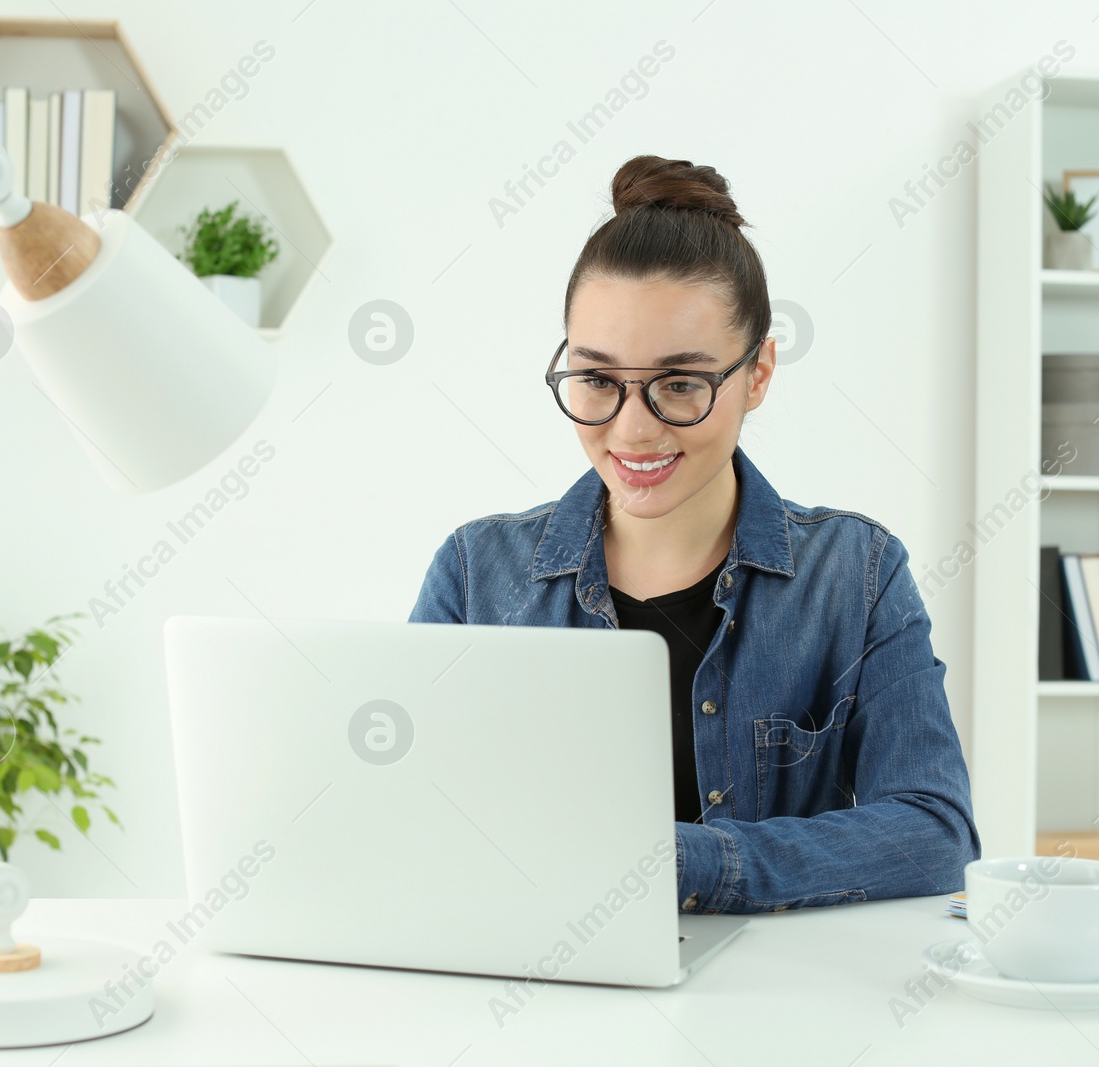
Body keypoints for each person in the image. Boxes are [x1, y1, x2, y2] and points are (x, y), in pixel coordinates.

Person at [409, 155, 979, 915]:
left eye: (681, 383)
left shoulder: (856, 573)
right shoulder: (476, 573)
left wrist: (685, 864)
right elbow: (410, 820)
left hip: (775, 1010)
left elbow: (933, 831)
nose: (634, 428)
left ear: (759, 373)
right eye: (598, 379)